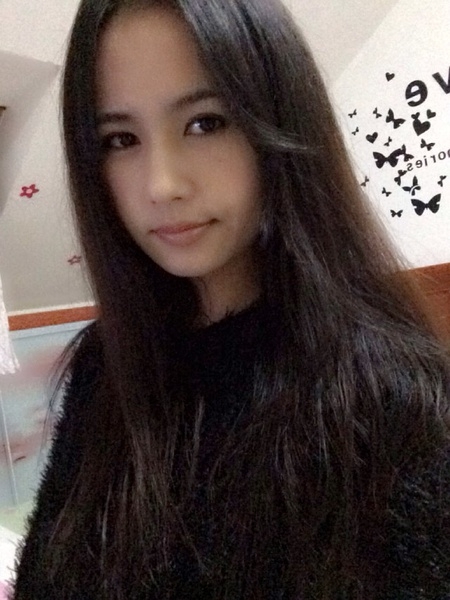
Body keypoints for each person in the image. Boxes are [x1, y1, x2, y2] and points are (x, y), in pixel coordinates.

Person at [12, 0, 450, 598]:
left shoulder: (395, 403)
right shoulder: (106, 360)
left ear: (279, 121)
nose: (162, 185)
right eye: (120, 138)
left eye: (205, 123)